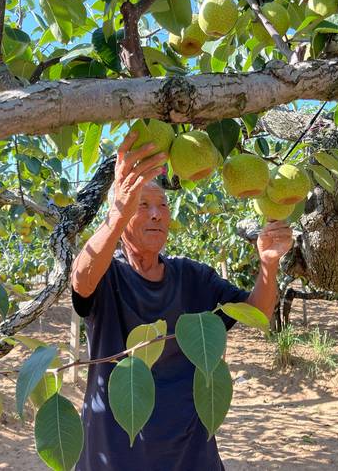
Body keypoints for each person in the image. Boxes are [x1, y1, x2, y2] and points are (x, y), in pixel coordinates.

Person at [70, 130, 293, 470]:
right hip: (116, 453)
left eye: (163, 205)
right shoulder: (109, 276)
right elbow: (81, 279)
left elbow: (256, 313)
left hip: (190, 452)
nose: (157, 214)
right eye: (142, 205)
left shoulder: (192, 277)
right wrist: (116, 214)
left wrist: (268, 265)